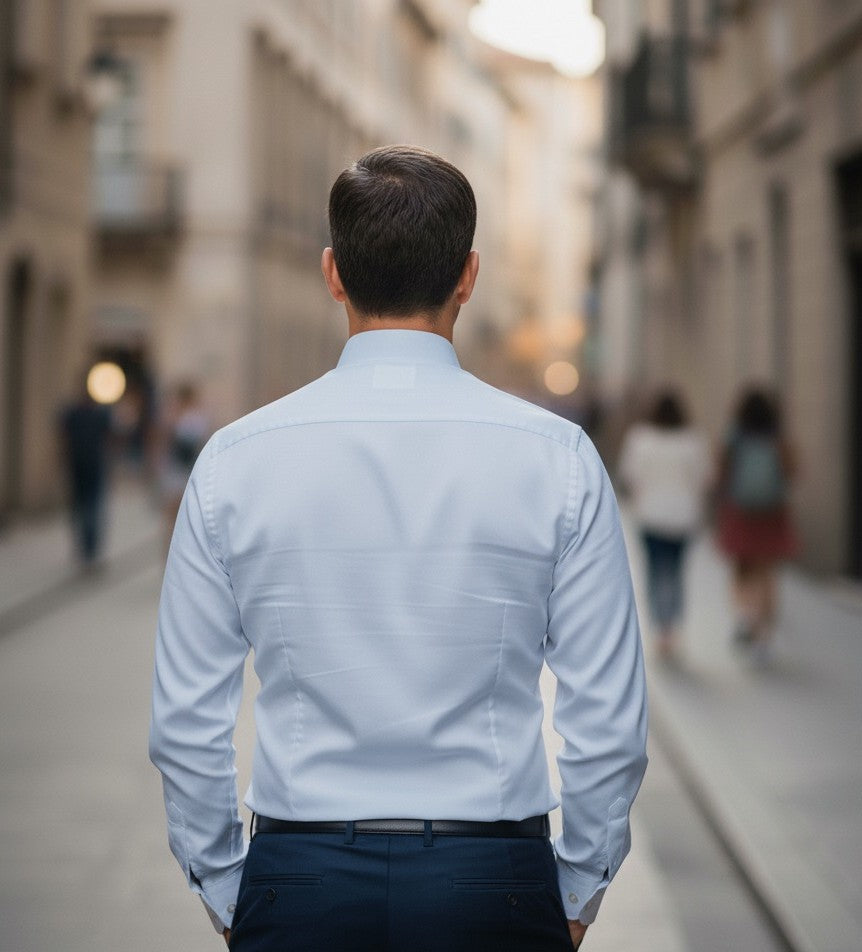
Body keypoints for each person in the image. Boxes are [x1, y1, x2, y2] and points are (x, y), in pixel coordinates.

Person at [149, 145, 648, 952]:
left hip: (298, 872)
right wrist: (580, 885)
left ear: (332, 273)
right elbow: (609, 718)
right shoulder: (560, 459)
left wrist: (227, 885)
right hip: (494, 878)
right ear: (469, 276)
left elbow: (185, 720)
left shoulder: (236, 459)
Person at [618, 389, 711, 660]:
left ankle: (660, 628)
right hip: (683, 516)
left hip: (651, 515)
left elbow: (629, 475)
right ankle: (671, 626)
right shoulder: (692, 440)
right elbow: (704, 478)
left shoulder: (641, 438)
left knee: (654, 571)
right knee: (676, 571)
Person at [715, 387, 799, 666]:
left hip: (740, 510)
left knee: (742, 568)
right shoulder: (778, 439)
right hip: (772, 512)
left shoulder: (734, 437)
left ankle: (745, 617)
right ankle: (763, 636)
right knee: (767, 572)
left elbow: (721, 473)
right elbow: (792, 471)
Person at [58, 369, 114, 569]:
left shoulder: (99, 412)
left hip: (92, 466)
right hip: (79, 466)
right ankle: (85, 550)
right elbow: (63, 437)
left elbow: (109, 439)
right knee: (82, 509)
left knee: (89, 509)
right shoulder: (73, 412)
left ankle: (89, 550)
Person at [152, 380, 213, 550]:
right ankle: (171, 551)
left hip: (186, 468)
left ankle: (177, 549)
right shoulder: (174, 415)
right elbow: (162, 440)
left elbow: (198, 440)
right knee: (172, 515)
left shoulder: (195, 417)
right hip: (175, 468)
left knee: (181, 515)